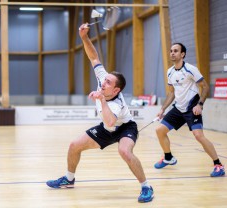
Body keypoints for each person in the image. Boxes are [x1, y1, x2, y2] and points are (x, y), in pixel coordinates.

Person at [46, 23, 154, 203]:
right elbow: (94, 57)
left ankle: (146, 186)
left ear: (117, 90)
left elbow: (111, 121)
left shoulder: (117, 103)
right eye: (104, 80)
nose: (104, 82)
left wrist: (101, 99)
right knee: (74, 145)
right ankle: (69, 179)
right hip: (106, 128)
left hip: (125, 127)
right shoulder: (102, 79)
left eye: (109, 82)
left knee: (125, 152)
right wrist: (84, 37)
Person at [154, 42, 225, 177]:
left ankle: (218, 165)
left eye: (175, 51)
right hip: (178, 108)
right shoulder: (169, 72)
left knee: (199, 136)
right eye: (171, 51)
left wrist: (200, 104)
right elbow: (171, 93)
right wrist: (163, 109)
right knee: (159, 130)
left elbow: (205, 87)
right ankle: (168, 157)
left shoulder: (190, 69)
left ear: (182, 54)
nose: (172, 53)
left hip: (192, 107)